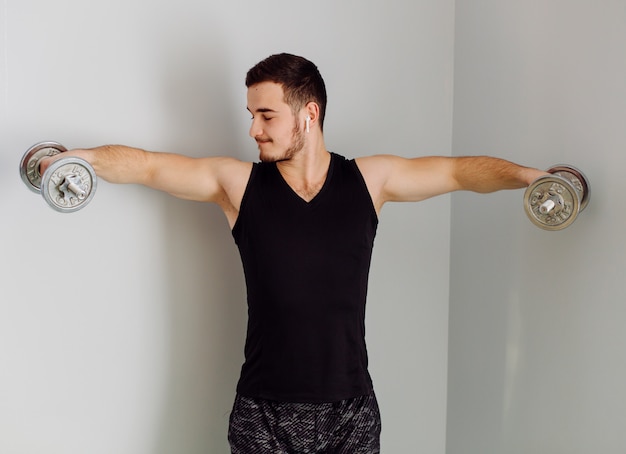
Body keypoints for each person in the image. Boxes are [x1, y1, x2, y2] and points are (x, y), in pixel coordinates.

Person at [40, 53, 546, 453]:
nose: (254, 129)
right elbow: (149, 166)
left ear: (310, 113)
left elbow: (458, 171)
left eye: (266, 115)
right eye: (251, 115)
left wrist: (530, 178)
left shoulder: (369, 181)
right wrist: (78, 158)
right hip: (264, 415)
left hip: (351, 412)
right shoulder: (239, 185)